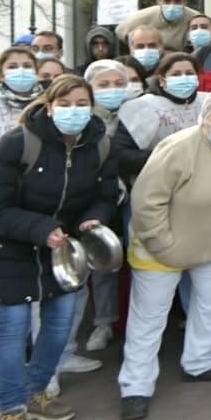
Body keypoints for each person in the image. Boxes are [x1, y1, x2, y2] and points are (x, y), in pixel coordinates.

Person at [117, 88, 211, 420]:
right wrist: (162, 242)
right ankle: (135, 387)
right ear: (205, 118)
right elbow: (146, 201)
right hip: (159, 249)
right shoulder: (175, 148)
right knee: (148, 319)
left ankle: (200, 362)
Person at [0, 75, 117, 420]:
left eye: (81, 103)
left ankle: (37, 392)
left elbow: (107, 194)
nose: (74, 111)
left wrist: (93, 219)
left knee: (59, 327)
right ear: (49, 107)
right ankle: (8, 414)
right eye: (64, 104)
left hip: (64, 252)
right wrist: (41, 228)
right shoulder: (18, 144)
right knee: (12, 334)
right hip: (12, 250)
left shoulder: (100, 145)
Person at [78, 60, 132, 355]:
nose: (112, 91)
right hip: (94, 200)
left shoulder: (135, 114)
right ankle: (103, 322)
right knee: (101, 262)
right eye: (103, 85)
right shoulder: (82, 119)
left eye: (118, 84)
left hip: (133, 196)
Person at [114, 53, 206, 186]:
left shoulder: (209, 102)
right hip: (156, 182)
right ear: (162, 80)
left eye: (189, 73)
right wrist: (164, 159)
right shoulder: (141, 106)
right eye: (176, 74)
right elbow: (121, 153)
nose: (184, 78)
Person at [116, 0, 199, 54]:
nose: (172, 5)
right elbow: (120, 31)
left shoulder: (195, 18)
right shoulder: (142, 17)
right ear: (158, 0)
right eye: (167, 1)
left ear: (185, 1)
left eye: (177, 1)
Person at [0, 47, 40, 136]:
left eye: (27, 66)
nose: (21, 70)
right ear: (1, 76)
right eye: (12, 67)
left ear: (36, 73)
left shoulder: (44, 103)